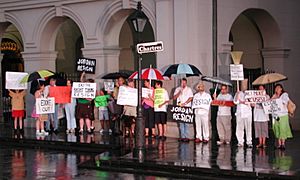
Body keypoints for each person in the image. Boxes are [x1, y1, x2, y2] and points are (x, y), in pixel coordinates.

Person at [272, 84, 293, 150]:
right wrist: (274, 97)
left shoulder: (284, 94)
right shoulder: (274, 95)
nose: (277, 89)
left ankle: (283, 143)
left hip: (283, 115)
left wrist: (277, 99)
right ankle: (279, 144)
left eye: (278, 88)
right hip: (276, 115)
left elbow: (284, 102)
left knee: (282, 129)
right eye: (276, 88)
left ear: (281, 89)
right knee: (277, 128)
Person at [234, 79, 253, 148]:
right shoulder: (238, 93)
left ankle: (249, 141)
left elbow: (252, 103)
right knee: (239, 128)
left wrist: (246, 102)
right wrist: (237, 94)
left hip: (248, 113)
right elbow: (235, 102)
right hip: (240, 113)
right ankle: (240, 141)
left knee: (248, 127)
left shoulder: (250, 94)